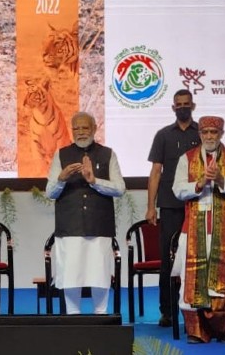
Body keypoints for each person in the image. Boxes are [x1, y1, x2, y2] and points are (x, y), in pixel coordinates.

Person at [171, 116, 225, 344]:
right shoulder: (186, 159)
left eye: (213, 133)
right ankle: (196, 330)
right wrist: (197, 184)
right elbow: (178, 190)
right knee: (192, 280)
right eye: (205, 132)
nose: (209, 136)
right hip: (194, 230)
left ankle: (222, 328)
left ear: (221, 134)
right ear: (200, 134)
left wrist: (220, 179)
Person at [45, 111, 126, 314]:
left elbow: (119, 188)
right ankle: (73, 318)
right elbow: (50, 193)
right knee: (71, 275)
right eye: (76, 128)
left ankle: (101, 315)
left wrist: (94, 181)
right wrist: (61, 178)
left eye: (85, 128)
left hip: (99, 225)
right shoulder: (61, 154)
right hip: (70, 226)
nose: (81, 132)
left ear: (94, 129)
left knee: (99, 274)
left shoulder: (108, 154)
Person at [146, 89, 200, 327]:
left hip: (198, 205)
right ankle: (167, 312)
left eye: (186, 104)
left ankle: (198, 309)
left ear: (193, 106)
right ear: (173, 108)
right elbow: (155, 172)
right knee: (168, 260)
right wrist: (150, 207)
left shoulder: (204, 133)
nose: (182, 107)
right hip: (169, 206)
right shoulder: (163, 135)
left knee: (198, 258)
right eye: (178, 104)